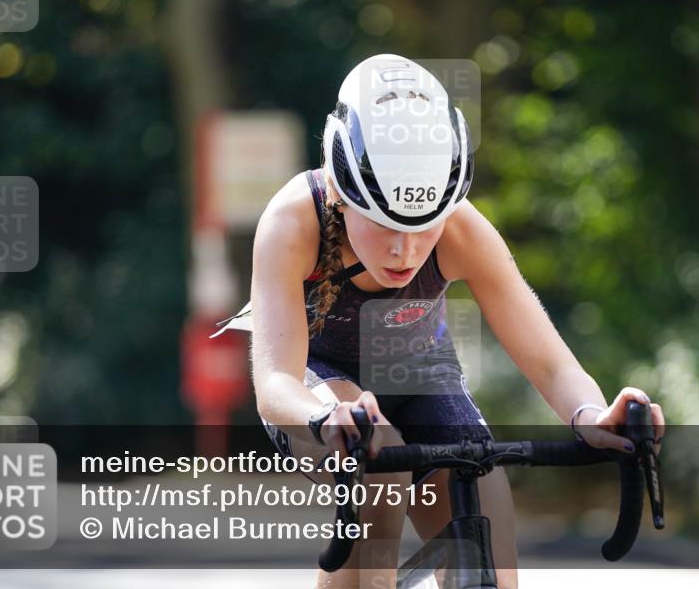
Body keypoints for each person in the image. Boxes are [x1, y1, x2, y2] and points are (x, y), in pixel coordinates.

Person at [246, 54, 666, 589]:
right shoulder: (292, 222)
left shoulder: (464, 230)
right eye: (383, 224)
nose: (405, 250)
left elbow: (549, 361)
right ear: (339, 193)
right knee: (382, 474)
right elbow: (275, 383)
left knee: (487, 512)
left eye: (425, 226)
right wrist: (326, 418)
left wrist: (591, 414)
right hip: (320, 382)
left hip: (419, 374)